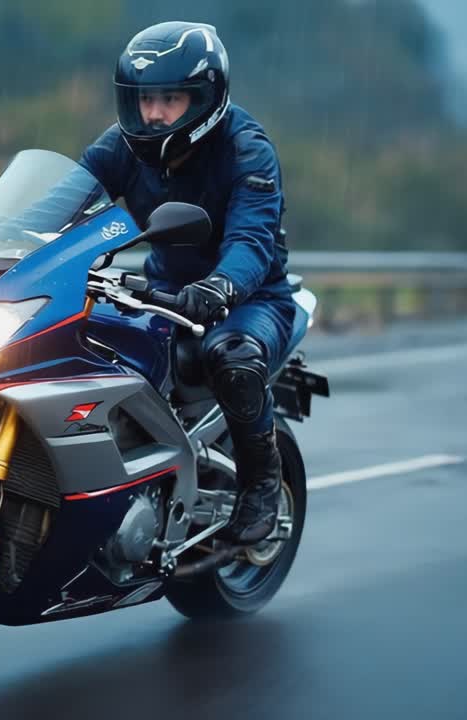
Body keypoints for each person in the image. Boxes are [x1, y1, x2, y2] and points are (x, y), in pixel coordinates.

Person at [80, 21, 294, 544]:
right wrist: (0, 244)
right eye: (145, 99)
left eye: (170, 99)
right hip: (163, 293)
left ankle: (262, 485)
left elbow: (251, 241)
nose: (153, 113)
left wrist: (221, 286)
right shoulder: (122, 146)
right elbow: (65, 199)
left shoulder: (246, 151)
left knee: (234, 357)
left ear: (203, 98)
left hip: (249, 300)